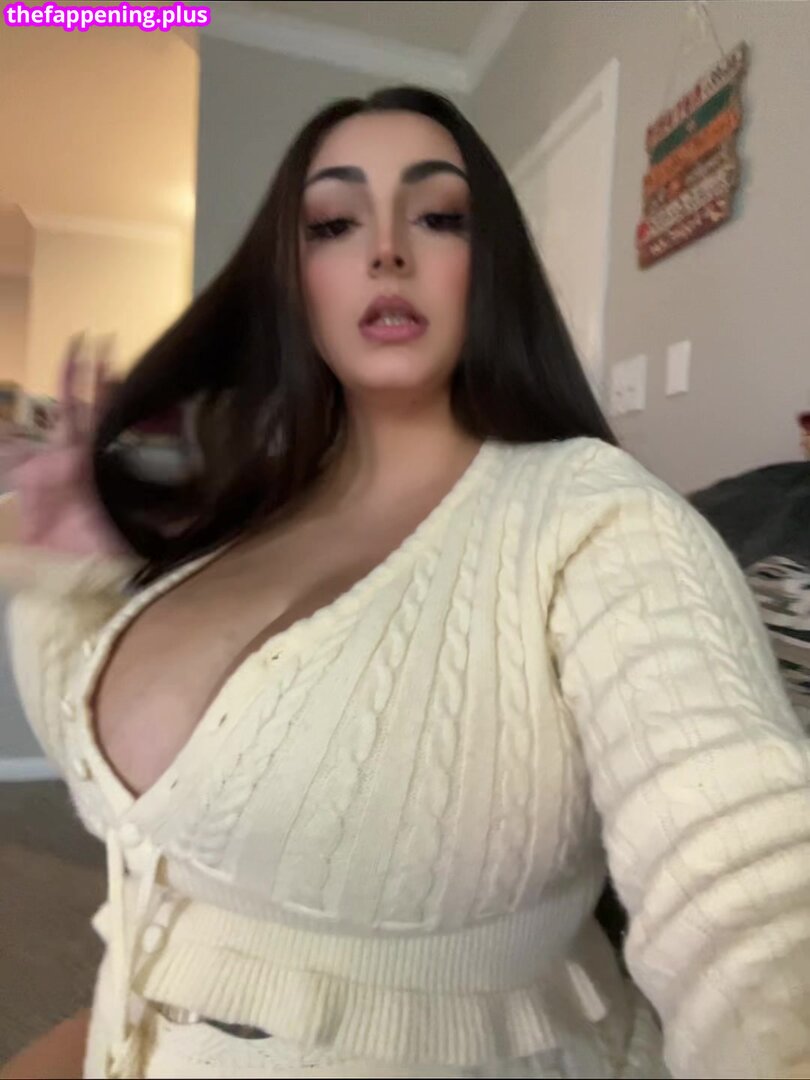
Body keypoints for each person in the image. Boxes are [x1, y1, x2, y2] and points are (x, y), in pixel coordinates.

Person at [0, 85, 808, 1080]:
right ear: (293, 278)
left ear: (490, 265)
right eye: (335, 224)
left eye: (438, 217)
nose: (386, 251)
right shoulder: (242, 512)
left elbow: (741, 872)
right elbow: (124, 790)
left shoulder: (595, 516)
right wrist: (69, 574)